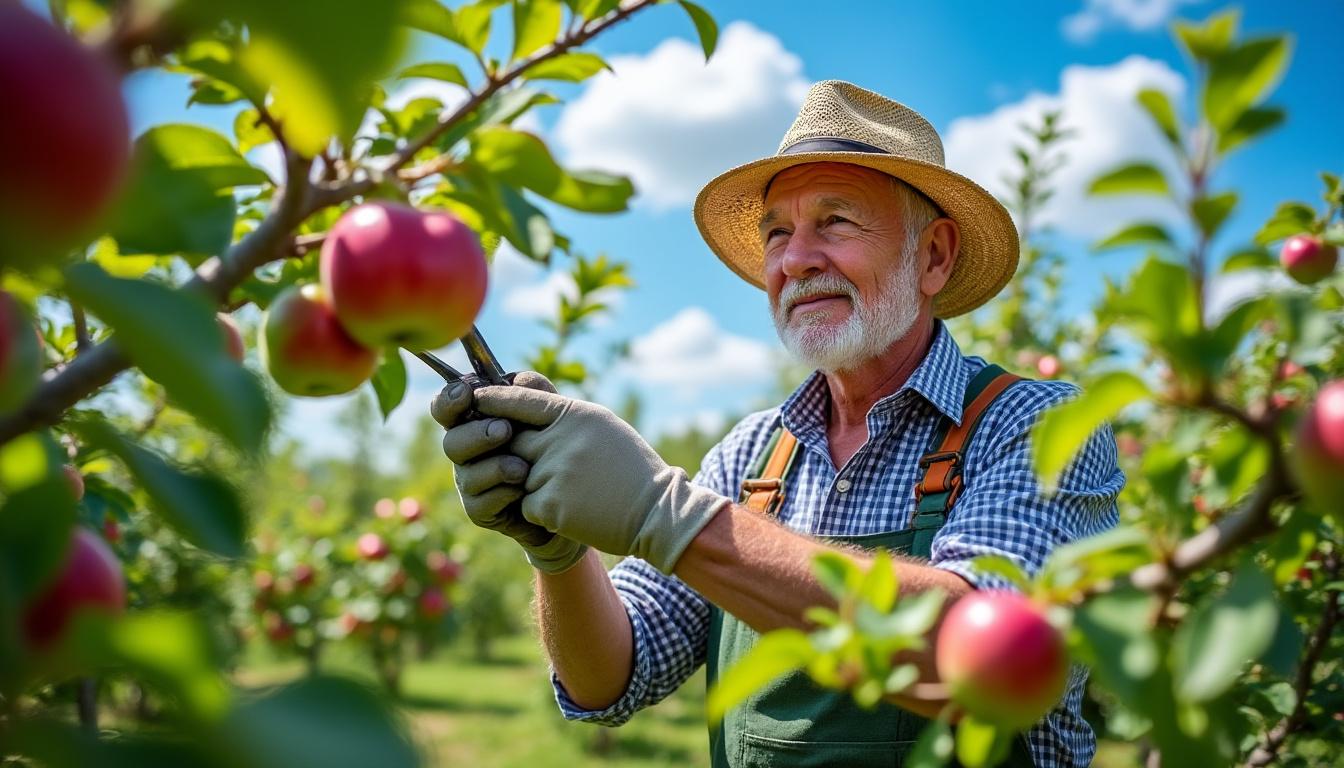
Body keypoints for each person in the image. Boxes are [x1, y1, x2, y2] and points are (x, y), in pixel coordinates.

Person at [431, 80, 1123, 767]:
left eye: (836, 222)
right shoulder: (751, 457)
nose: (795, 260)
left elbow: (991, 661)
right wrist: (558, 549)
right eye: (777, 233)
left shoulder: (1034, 427)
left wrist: (666, 514)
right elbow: (613, 678)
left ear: (933, 256)